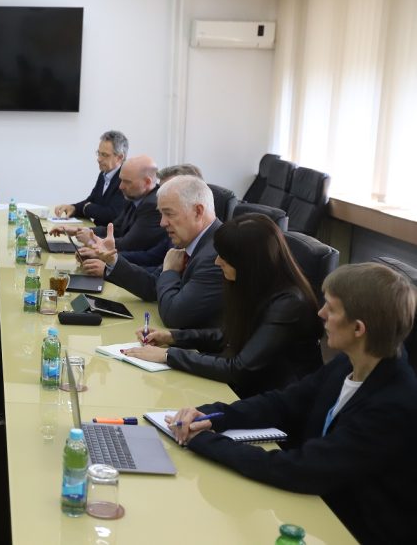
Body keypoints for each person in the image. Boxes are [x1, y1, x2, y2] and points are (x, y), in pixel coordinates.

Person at [170, 263, 417, 544]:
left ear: (358, 328)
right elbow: (283, 403)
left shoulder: (393, 405)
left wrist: (205, 442)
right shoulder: (347, 364)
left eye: (331, 308)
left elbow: (304, 469)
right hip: (319, 510)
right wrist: (210, 415)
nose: (320, 313)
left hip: (354, 531)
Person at [123, 213, 322, 398]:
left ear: (248, 262)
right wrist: (173, 337)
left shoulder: (290, 304)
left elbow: (238, 368)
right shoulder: (257, 286)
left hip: (272, 400)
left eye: (224, 257)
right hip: (247, 389)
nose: (217, 262)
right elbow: (228, 335)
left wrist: (168, 355)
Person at [97, 176, 224, 329]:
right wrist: (113, 261)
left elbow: (175, 317)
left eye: (169, 214)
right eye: (161, 214)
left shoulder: (217, 254)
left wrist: (170, 271)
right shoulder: (188, 239)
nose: (162, 223)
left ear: (198, 211)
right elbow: (154, 286)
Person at [52, 155, 165, 254]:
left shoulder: (153, 206)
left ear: (147, 182)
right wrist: (79, 230)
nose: (121, 186)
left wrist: (92, 241)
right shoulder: (134, 197)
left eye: (127, 182)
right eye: (121, 180)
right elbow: (114, 230)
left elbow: (128, 245)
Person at [54, 130, 128, 226]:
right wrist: (73, 208)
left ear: (120, 157)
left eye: (105, 155)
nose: (99, 159)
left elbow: (112, 214)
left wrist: (87, 208)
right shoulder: (103, 174)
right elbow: (91, 200)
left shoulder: (126, 179)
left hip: (110, 234)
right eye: (99, 153)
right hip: (96, 231)